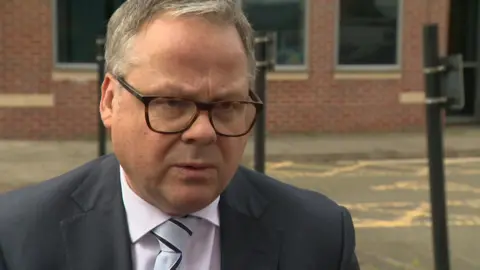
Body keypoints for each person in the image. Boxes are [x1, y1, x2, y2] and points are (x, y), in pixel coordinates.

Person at [0, 0, 360, 269]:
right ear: (109, 101)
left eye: (227, 106)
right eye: (171, 103)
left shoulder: (321, 238)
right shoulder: (18, 238)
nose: (203, 133)